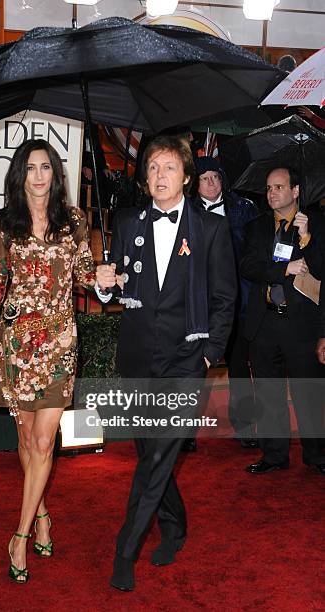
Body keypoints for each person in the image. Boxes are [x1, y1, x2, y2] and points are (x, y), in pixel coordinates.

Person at [96, 134, 236, 591]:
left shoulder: (211, 229)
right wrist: (103, 282)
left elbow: (224, 298)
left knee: (158, 454)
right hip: (138, 356)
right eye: (152, 167)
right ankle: (174, 526)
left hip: (185, 360)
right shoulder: (128, 220)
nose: (159, 175)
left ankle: (125, 549)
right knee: (150, 451)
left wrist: (209, 353)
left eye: (169, 167)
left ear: (186, 177)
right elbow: (117, 287)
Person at [0, 138, 96, 583]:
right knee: (26, 440)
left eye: (47, 167)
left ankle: (18, 537)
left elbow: (83, 275)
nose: (39, 176)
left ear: (56, 175)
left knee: (44, 442)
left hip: (59, 342)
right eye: (31, 168)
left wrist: (104, 276)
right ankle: (40, 513)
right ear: (20, 174)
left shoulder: (74, 220)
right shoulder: (4, 224)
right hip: (17, 346)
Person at [240, 166, 325, 476]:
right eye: (268, 188)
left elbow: (321, 270)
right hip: (264, 322)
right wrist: (284, 270)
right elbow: (249, 265)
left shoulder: (317, 225)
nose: (271, 193)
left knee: (309, 392)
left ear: (296, 191)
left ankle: (317, 455)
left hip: (302, 323)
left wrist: (306, 239)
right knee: (267, 391)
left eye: (278, 187)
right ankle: (274, 455)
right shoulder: (256, 226)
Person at [193, 157, 259, 448]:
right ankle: (183, 435)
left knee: (240, 369)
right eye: (204, 178)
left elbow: (255, 253)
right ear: (194, 183)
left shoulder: (244, 209)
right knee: (193, 370)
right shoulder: (184, 211)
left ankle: (244, 429)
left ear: (223, 180)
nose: (210, 183)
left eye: (215, 177)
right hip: (196, 305)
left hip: (237, 302)